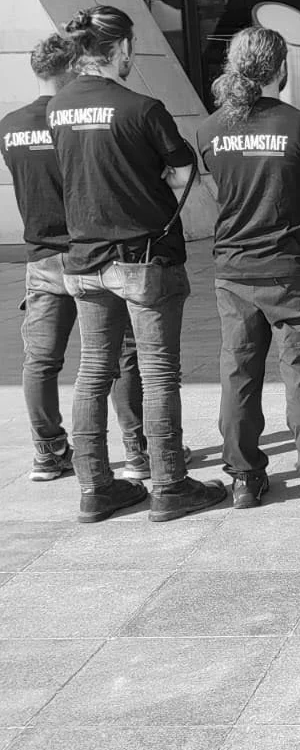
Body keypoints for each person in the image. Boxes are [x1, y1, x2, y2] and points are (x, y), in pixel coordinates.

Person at [48, 5, 223, 523]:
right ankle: (170, 484)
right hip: (143, 259)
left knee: (92, 373)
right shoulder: (143, 108)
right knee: (159, 372)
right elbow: (182, 170)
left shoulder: (58, 108)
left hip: (83, 261)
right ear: (121, 48)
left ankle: (95, 488)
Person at [197, 27, 300, 510]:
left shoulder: (210, 129)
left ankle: (243, 477)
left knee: (238, 373)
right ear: (282, 69)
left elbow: (223, 192)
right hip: (294, 269)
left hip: (235, 269)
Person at [3, 35, 145, 484]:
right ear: (73, 67)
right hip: (89, 253)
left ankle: (48, 453)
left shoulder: (10, 124)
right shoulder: (70, 119)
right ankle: (138, 451)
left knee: (41, 361)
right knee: (121, 355)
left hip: (41, 257)